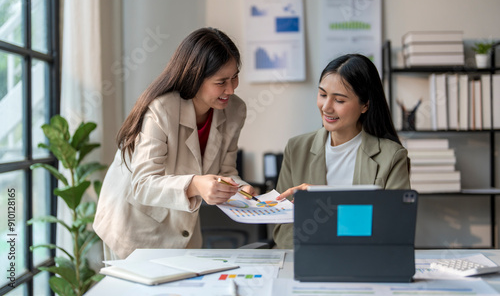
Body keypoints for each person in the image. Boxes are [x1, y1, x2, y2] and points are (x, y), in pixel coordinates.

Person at [94, 27, 255, 259]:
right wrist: (196, 184)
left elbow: (226, 170)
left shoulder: (235, 110)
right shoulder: (161, 109)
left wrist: (240, 189)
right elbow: (142, 184)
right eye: (221, 82)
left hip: (183, 227)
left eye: (234, 77)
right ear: (196, 77)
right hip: (133, 226)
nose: (230, 89)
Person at [273, 54, 410, 249]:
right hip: (305, 261)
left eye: (339, 100)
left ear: (365, 105)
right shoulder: (297, 148)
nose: (326, 107)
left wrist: (325, 201)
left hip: (363, 262)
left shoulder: (392, 157)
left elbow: (395, 228)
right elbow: (282, 230)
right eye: (322, 95)